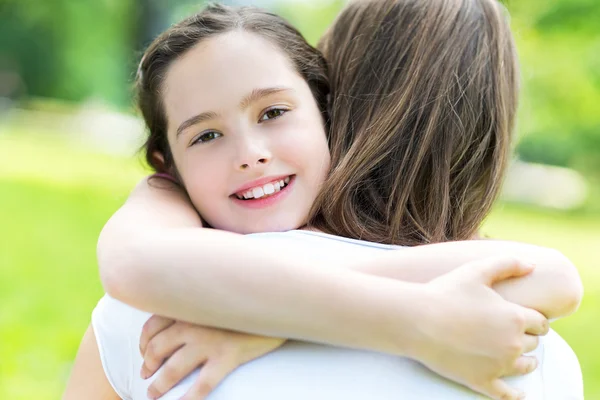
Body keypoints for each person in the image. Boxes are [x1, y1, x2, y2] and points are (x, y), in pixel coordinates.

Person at [63, 1, 583, 400]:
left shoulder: (162, 317)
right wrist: (409, 318)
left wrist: (269, 321)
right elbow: (553, 274)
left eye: (273, 113)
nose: (251, 155)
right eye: (205, 136)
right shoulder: (527, 348)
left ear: (329, 106)